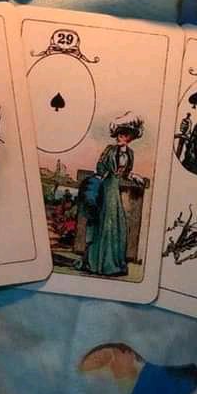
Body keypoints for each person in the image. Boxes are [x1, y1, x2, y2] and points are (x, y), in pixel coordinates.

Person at [81, 113, 145, 277]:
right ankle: (98, 263)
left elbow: (126, 173)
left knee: (117, 224)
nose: (120, 137)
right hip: (106, 186)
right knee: (104, 222)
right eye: (119, 134)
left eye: (124, 135)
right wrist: (98, 180)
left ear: (130, 137)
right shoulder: (109, 150)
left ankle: (112, 262)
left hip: (115, 189)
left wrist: (134, 176)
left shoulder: (130, 153)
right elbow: (100, 167)